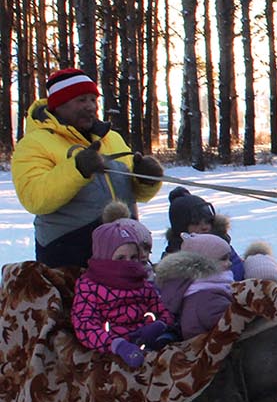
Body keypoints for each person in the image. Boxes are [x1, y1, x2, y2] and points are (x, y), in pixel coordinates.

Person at [11, 66, 165, 267]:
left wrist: (146, 179)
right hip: (69, 254)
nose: (90, 106)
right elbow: (35, 198)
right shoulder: (35, 143)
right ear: (59, 105)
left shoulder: (112, 138)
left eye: (93, 99)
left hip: (125, 250)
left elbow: (137, 194)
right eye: (81, 100)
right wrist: (77, 169)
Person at [70, 211, 171, 368]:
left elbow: (163, 311)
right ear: (104, 257)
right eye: (120, 258)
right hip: (108, 350)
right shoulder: (89, 285)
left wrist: (158, 326)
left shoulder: (142, 282)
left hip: (145, 343)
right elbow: (85, 324)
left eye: (133, 258)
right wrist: (117, 345)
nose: (128, 263)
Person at [156, 232, 237, 339]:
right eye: (223, 259)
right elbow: (228, 322)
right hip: (210, 349)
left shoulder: (208, 287)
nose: (230, 263)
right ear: (206, 263)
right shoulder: (205, 295)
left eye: (229, 258)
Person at [163, 186, 246, 280]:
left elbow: (238, 272)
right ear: (181, 228)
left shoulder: (222, 246)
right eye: (196, 223)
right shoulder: (174, 262)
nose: (204, 227)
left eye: (208, 221)